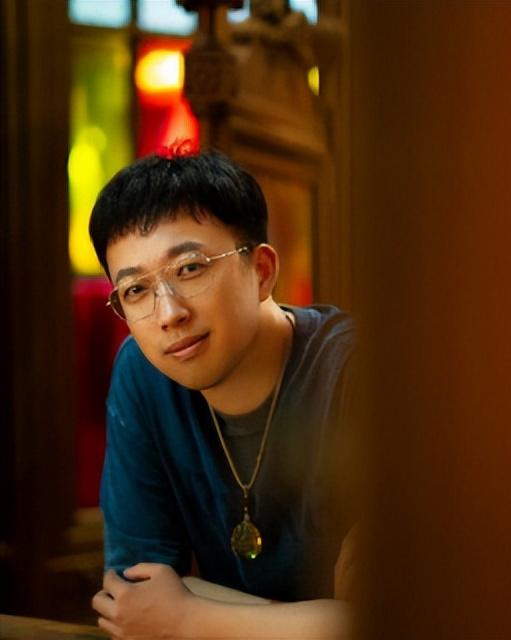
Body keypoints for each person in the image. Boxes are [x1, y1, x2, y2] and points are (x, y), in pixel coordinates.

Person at [88, 145, 356, 639]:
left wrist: (188, 615)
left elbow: (397, 621)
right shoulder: (143, 373)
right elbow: (132, 603)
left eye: (190, 268)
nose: (169, 314)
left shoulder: (355, 374)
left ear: (262, 271)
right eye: (136, 290)